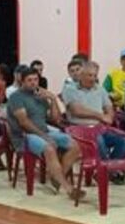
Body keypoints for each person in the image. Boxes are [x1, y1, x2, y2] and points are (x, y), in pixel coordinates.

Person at [6, 66, 84, 200]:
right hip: (24, 136)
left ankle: (57, 177)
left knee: (75, 145)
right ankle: (69, 189)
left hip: (44, 131)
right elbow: (24, 123)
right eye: (29, 80)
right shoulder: (16, 97)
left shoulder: (40, 96)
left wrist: (53, 99)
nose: (33, 83)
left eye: (35, 79)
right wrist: (45, 137)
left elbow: (56, 119)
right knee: (49, 148)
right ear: (22, 82)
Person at [62, 61, 125, 183]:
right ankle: (106, 172)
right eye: (90, 75)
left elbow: (109, 106)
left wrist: (109, 116)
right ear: (81, 75)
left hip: (99, 127)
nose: (93, 78)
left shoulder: (100, 89)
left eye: (95, 75)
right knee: (99, 140)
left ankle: (106, 172)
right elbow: (76, 110)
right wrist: (100, 116)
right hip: (79, 129)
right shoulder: (70, 89)